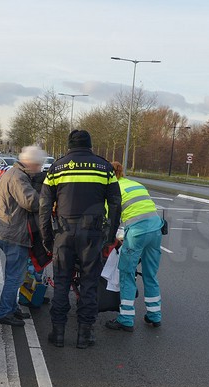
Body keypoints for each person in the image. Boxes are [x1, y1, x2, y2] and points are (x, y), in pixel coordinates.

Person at [39, 130, 121, 348]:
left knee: (62, 283)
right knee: (89, 284)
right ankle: (85, 335)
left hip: (64, 235)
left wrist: (47, 237)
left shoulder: (57, 167)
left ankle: (57, 334)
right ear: (90, 145)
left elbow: (44, 206)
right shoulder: (105, 168)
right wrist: (109, 237)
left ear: (69, 145)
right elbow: (115, 205)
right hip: (92, 235)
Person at [105, 161, 163, 332]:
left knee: (127, 273)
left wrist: (113, 238)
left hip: (137, 231)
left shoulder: (113, 189)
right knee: (150, 273)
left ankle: (126, 319)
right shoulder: (135, 184)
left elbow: (110, 221)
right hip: (156, 228)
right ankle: (155, 315)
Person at [0, 145, 47, 327]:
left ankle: (12, 307)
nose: (40, 169)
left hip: (8, 230)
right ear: (31, 163)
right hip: (14, 233)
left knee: (17, 273)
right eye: (39, 165)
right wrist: (48, 200)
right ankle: (4, 312)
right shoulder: (18, 177)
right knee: (14, 276)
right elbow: (30, 202)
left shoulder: (14, 174)